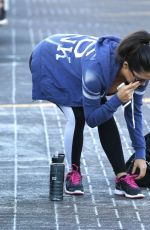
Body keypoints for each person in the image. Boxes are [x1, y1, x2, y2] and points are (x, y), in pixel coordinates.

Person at [29, 30, 150, 199]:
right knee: (77, 116)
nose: (142, 84)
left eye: (146, 80)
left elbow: (134, 113)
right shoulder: (96, 72)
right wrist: (116, 100)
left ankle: (122, 177)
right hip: (51, 62)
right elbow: (91, 119)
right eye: (140, 79)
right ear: (125, 66)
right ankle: (73, 173)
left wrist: (140, 154)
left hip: (79, 65)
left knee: (106, 114)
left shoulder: (139, 69)